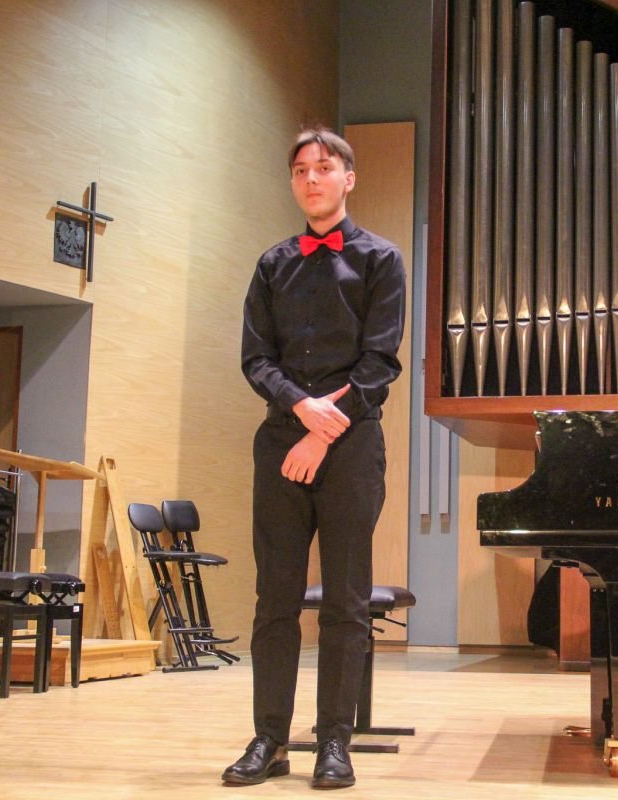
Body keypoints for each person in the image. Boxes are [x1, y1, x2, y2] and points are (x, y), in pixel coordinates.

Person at [224, 126, 405, 790]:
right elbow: (256, 358)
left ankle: (334, 742)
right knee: (274, 597)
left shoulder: (382, 259)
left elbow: (380, 361)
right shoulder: (272, 264)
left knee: (345, 601)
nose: (311, 179)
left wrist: (323, 429)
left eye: (324, 167)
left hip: (351, 444)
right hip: (282, 440)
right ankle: (270, 739)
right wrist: (300, 410)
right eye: (301, 170)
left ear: (348, 179)